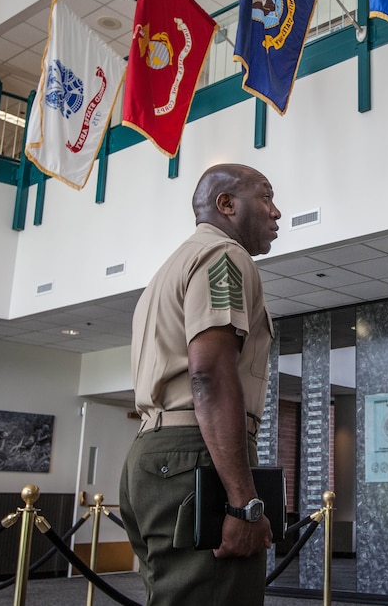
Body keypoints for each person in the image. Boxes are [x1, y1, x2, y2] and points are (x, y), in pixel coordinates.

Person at [120, 163, 280, 606]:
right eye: (265, 196)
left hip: (155, 456)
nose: (277, 211)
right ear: (226, 204)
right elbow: (209, 375)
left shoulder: (169, 270)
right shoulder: (223, 256)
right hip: (195, 456)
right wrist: (244, 503)